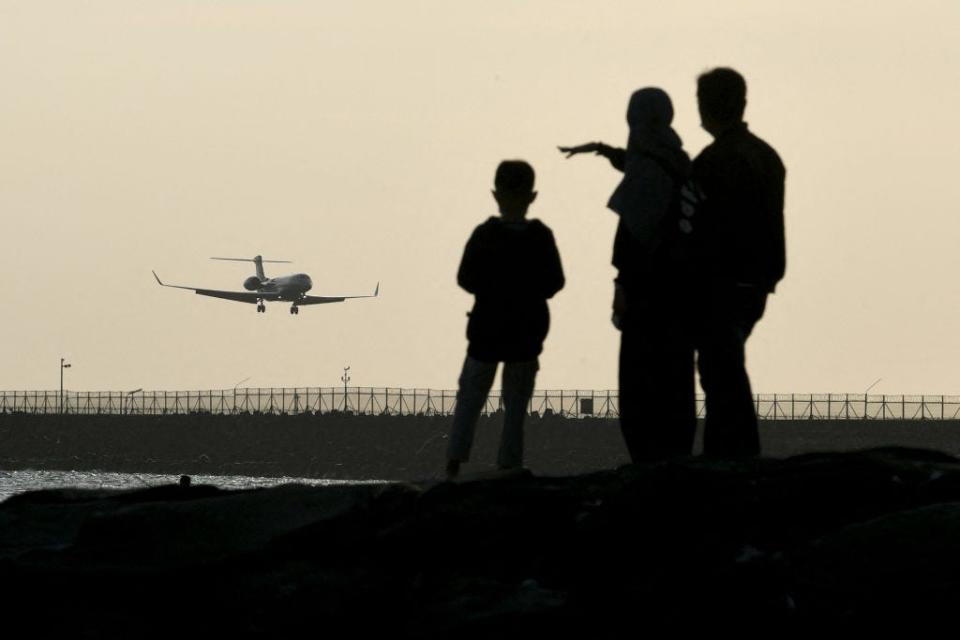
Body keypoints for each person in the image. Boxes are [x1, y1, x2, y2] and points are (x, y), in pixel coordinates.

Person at [559, 87, 696, 462]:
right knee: (676, 381)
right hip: (680, 297)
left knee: (640, 383)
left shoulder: (647, 175)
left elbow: (634, 240)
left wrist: (621, 288)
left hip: (646, 297)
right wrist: (604, 151)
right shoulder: (680, 162)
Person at [445, 160, 565, 479]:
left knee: (471, 396)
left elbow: (464, 277)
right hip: (526, 332)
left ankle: (455, 461)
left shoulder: (484, 235)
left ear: (495, 195)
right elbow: (555, 282)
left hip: (486, 328)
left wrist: (494, 290)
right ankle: (509, 463)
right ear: (532, 196)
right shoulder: (541, 238)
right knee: (516, 403)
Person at [689, 67, 786, 457]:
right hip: (755, 280)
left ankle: (732, 454)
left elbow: (704, 228)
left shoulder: (714, 161)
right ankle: (735, 452)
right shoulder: (764, 156)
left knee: (719, 369)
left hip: (721, 282)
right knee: (723, 365)